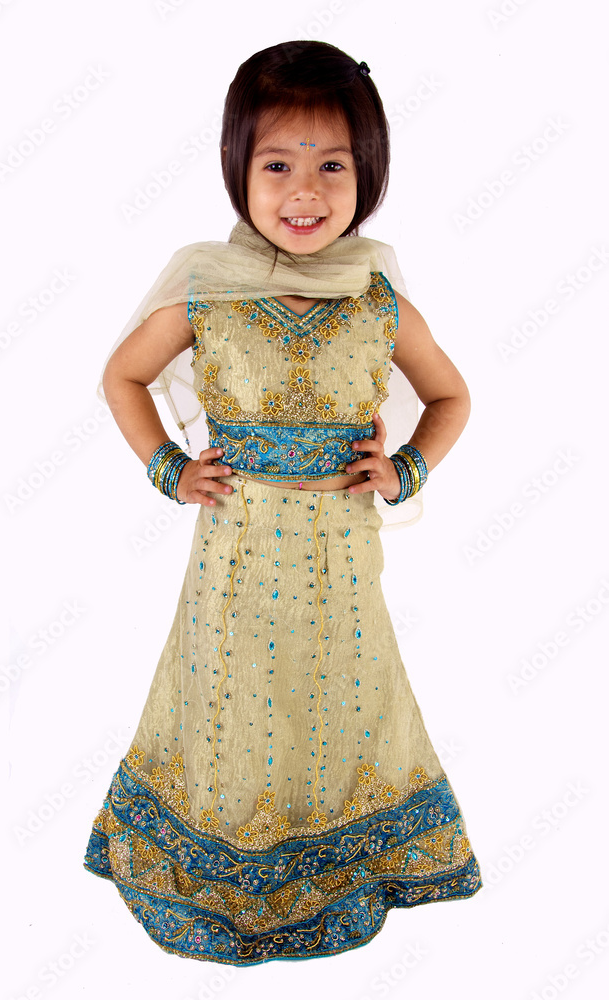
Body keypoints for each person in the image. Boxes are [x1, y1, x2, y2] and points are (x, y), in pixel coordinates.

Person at [83, 39, 482, 965]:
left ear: (368, 172)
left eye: (331, 165)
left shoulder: (376, 297)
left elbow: (450, 397)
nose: (304, 190)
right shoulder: (208, 288)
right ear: (237, 167)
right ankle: (227, 867)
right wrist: (169, 469)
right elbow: (121, 376)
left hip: (341, 550)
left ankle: (335, 857)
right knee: (235, 701)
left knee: (342, 695)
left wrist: (406, 468)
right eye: (277, 165)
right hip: (237, 547)